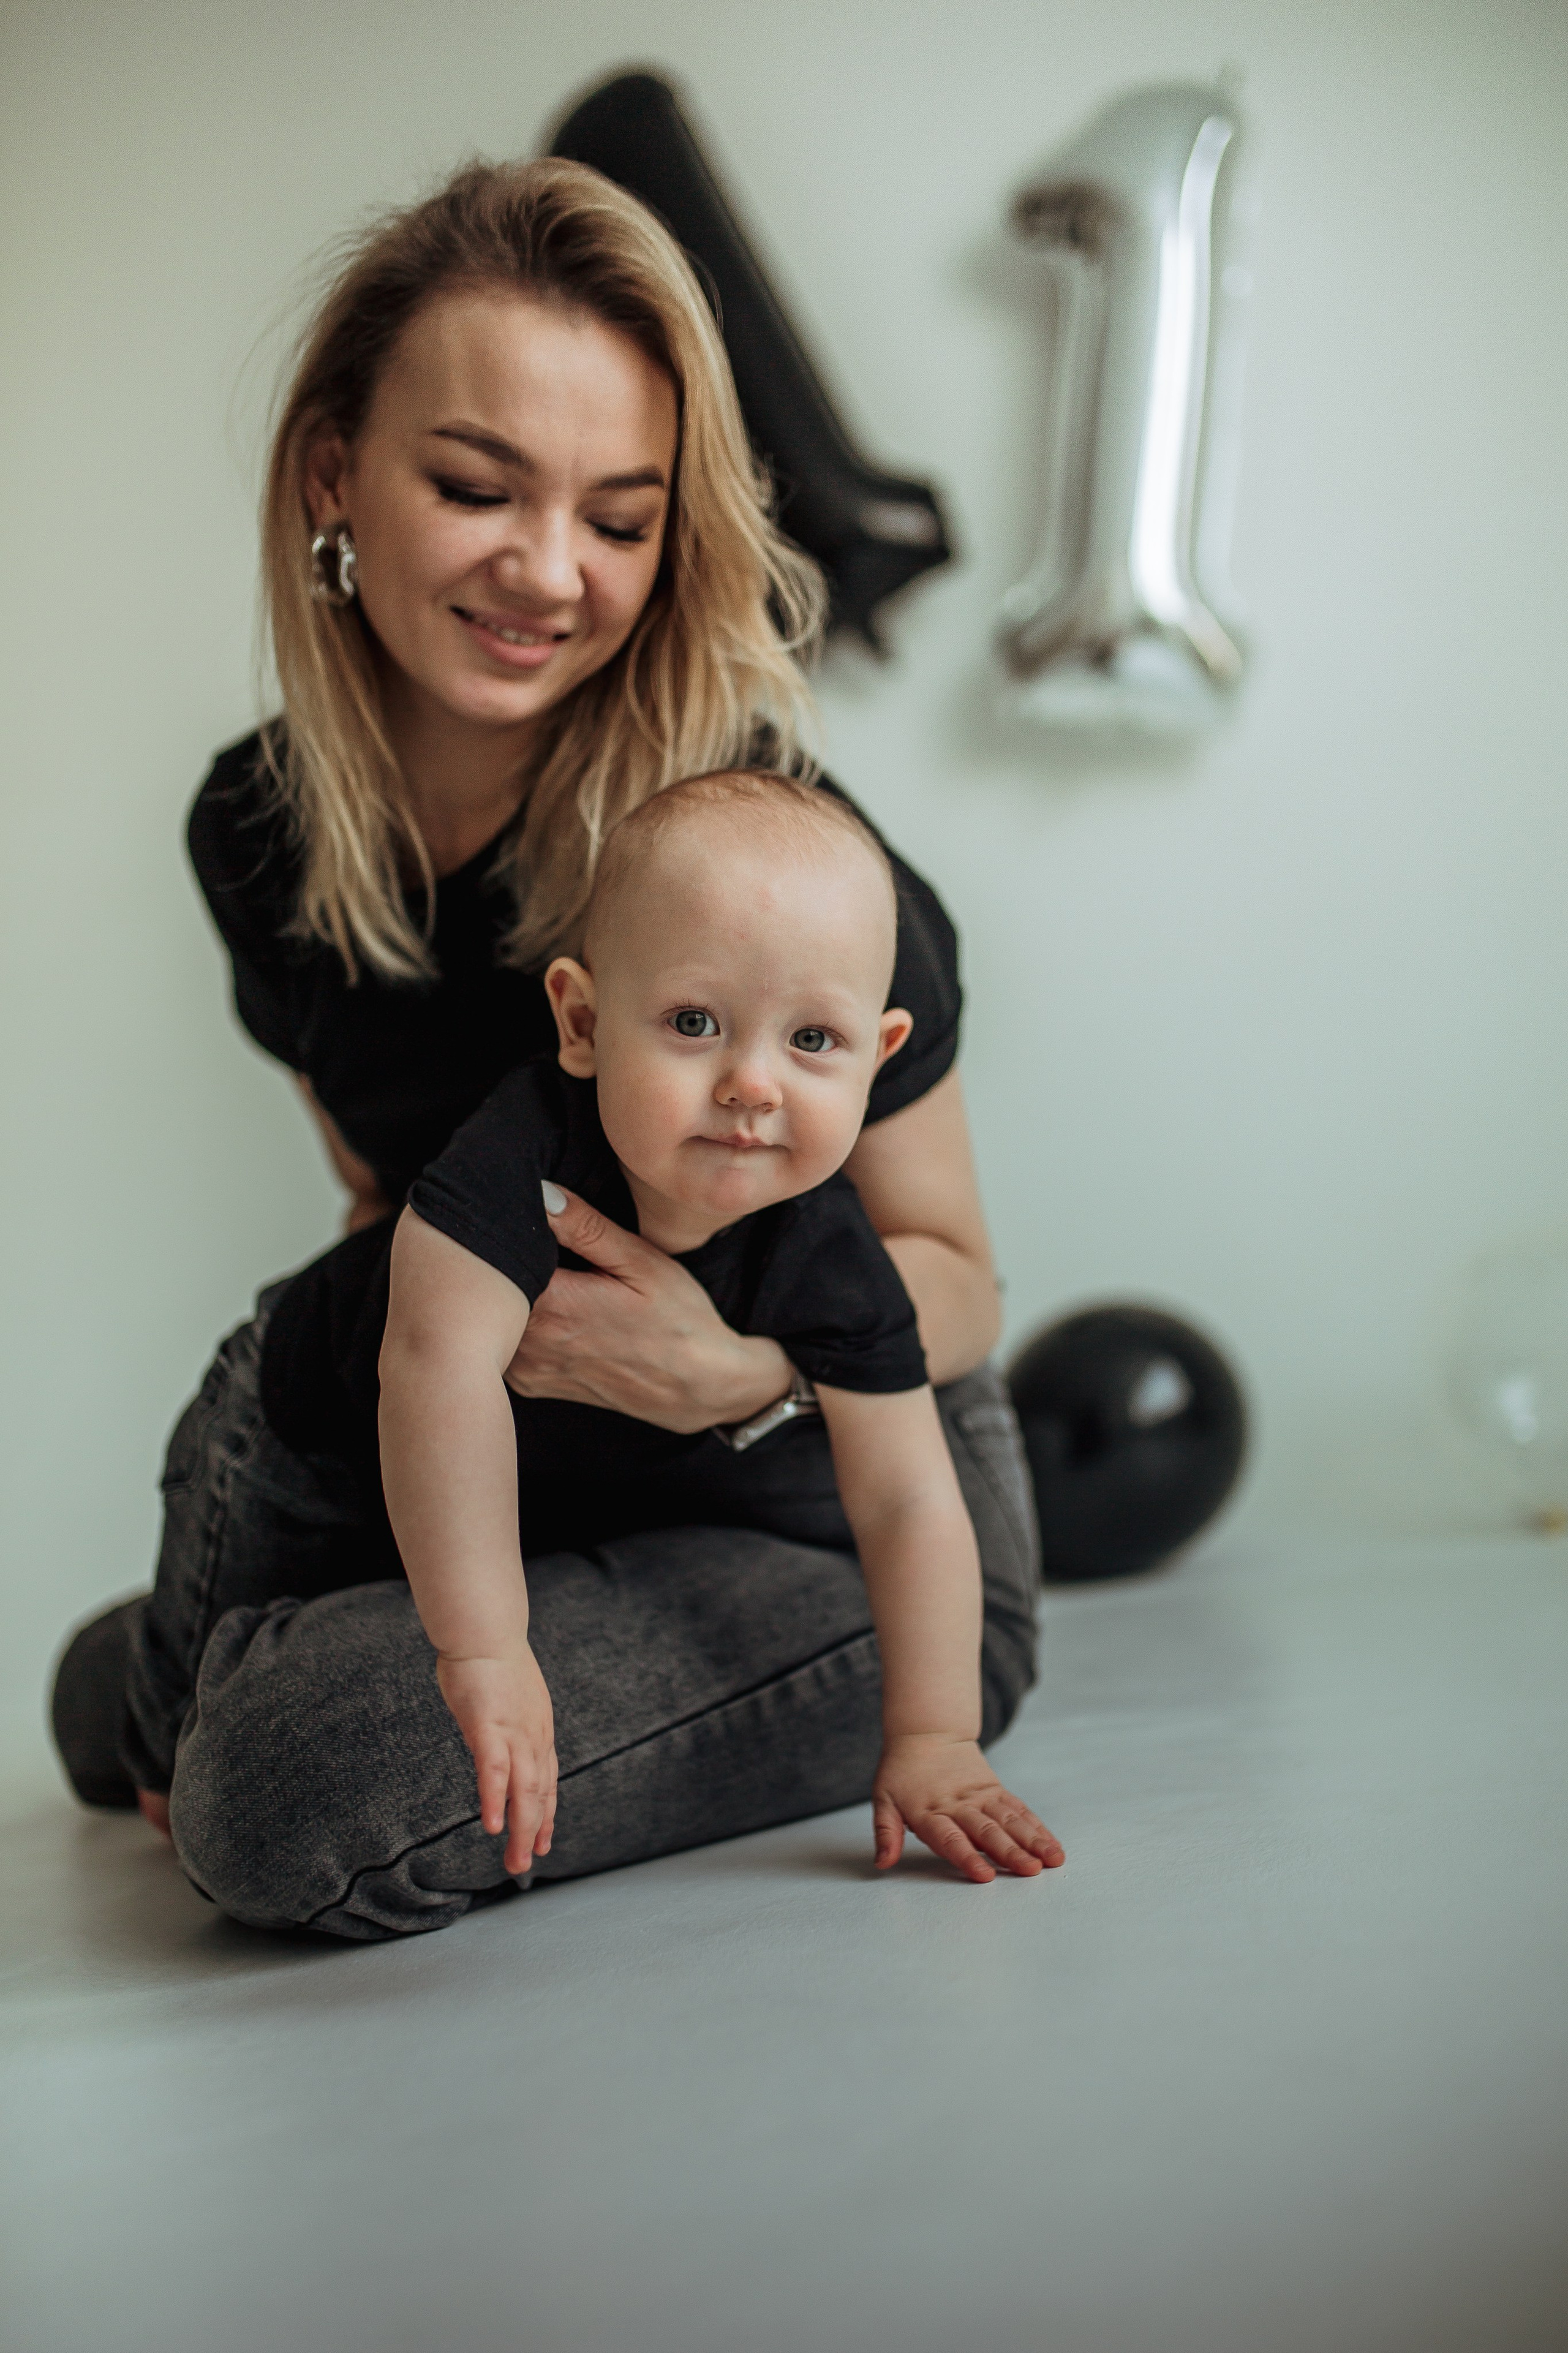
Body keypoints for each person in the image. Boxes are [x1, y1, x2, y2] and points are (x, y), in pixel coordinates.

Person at [50, 156, 1045, 1941]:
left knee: (275, 1776)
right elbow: (385, 1204)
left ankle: (270, 1689)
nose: (548, 572)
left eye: (620, 515)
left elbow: (959, 1285)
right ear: (335, 472)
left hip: (827, 1496)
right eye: (477, 486)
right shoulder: (264, 832)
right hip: (528, 1461)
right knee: (119, 1694)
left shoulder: (772, 863)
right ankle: (277, 1666)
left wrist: (733, 1369)